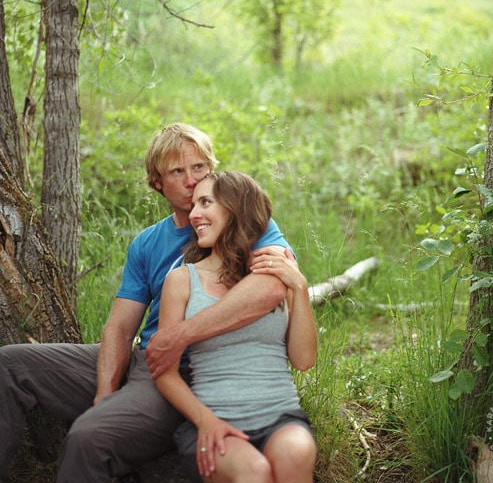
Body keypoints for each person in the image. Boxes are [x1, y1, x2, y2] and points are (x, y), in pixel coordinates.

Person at [0, 123, 292, 483]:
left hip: (185, 371)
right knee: (9, 364)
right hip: (145, 357)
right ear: (157, 182)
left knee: (89, 437)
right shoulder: (147, 243)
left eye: (199, 167)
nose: (190, 180)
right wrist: (104, 394)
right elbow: (121, 327)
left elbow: (272, 288)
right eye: (177, 172)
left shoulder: (247, 223)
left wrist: (179, 336)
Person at [155, 171, 317, 483]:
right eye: (194, 205)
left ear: (236, 209)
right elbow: (163, 370)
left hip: (280, 417)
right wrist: (206, 422)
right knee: (253, 473)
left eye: (206, 203)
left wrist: (299, 286)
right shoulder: (182, 281)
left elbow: (304, 359)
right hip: (215, 422)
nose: (194, 214)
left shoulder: (274, 271)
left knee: (295, 455)